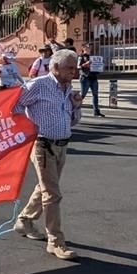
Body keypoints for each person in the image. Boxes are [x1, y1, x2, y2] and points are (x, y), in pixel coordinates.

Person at [13, 49, 83, 260]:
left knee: (45, 189)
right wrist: (26, 129)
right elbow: (15, 106)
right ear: (55, 67)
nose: (74, 71)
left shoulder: (68, 89)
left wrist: (76, 106)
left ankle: (24, 220)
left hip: (62, 145)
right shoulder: (38, 85)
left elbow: (73, 121)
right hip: (42, 145)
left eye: (75, 67)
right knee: (52, 194)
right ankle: (56, 241)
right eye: (69, 68)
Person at [78, 45, 104, 117]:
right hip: (85, 77)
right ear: (83, 48)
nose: (88, 49)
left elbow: (98, 66)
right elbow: (78, 66)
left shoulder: (94, 57)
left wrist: (100, 67)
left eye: (89, 47)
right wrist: (85, 64)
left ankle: (96, 111)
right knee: (83, 94)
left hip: (93, 77)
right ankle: (74, 108)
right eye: (86, 47)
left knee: (95, 95)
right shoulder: (81, 57)